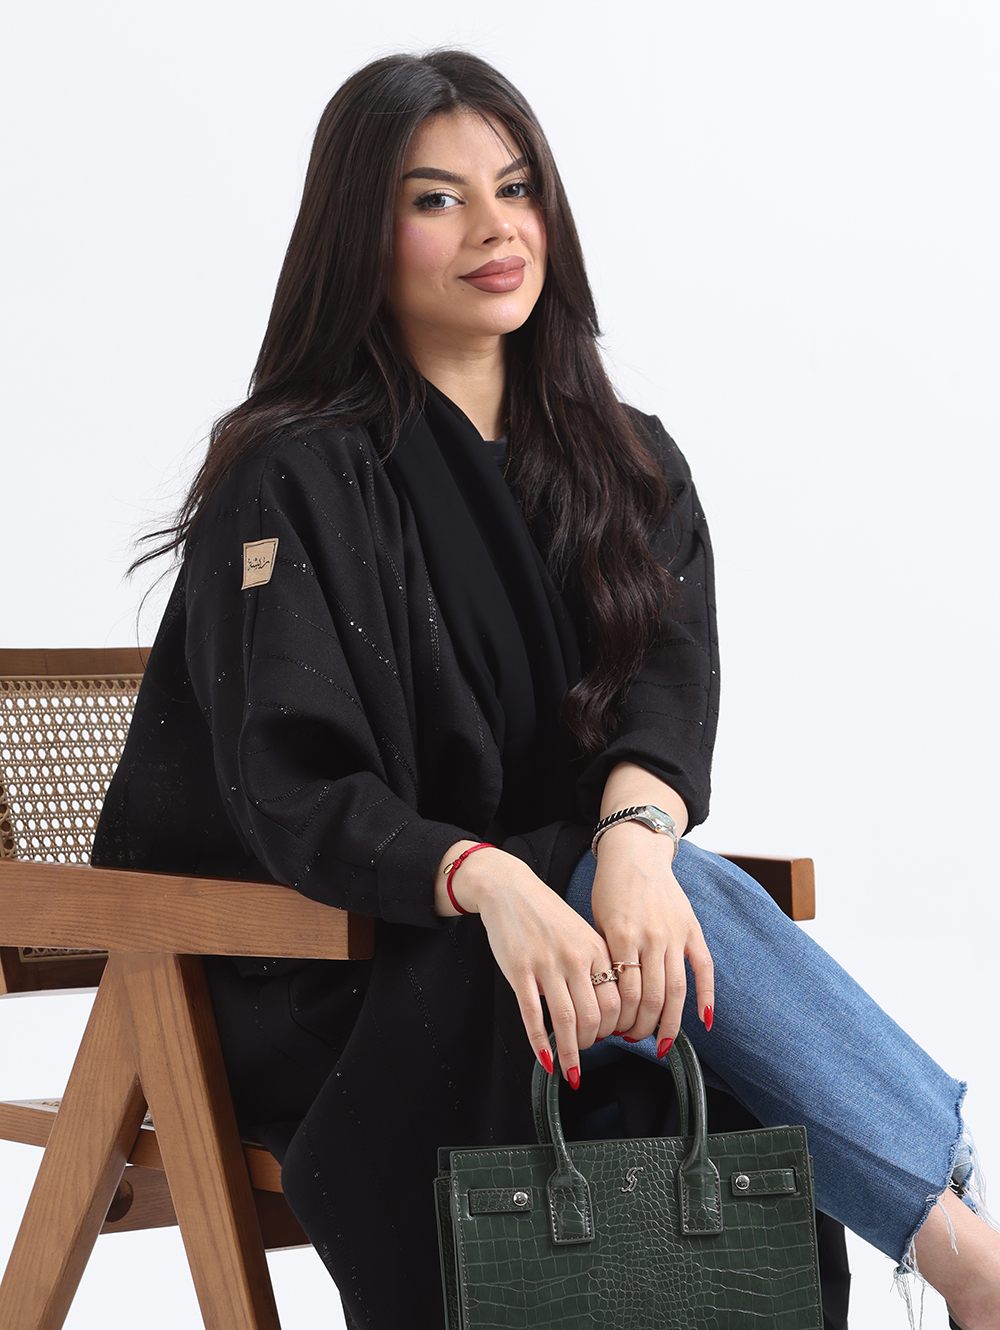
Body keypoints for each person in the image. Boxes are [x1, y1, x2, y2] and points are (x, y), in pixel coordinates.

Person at [89, 48, 999, 1330]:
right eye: (436, 198)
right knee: (661, 923)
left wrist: (629, 847)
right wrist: (493, 881)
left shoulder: (628, 464)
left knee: (663, 900)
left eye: (515, 188)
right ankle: (967, 1256)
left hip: (589, 943)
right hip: (350, 963)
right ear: (360, 230)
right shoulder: (291, 478)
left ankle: (967, 1256)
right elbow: (291, 784)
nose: (494, 228)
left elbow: (666, 698)